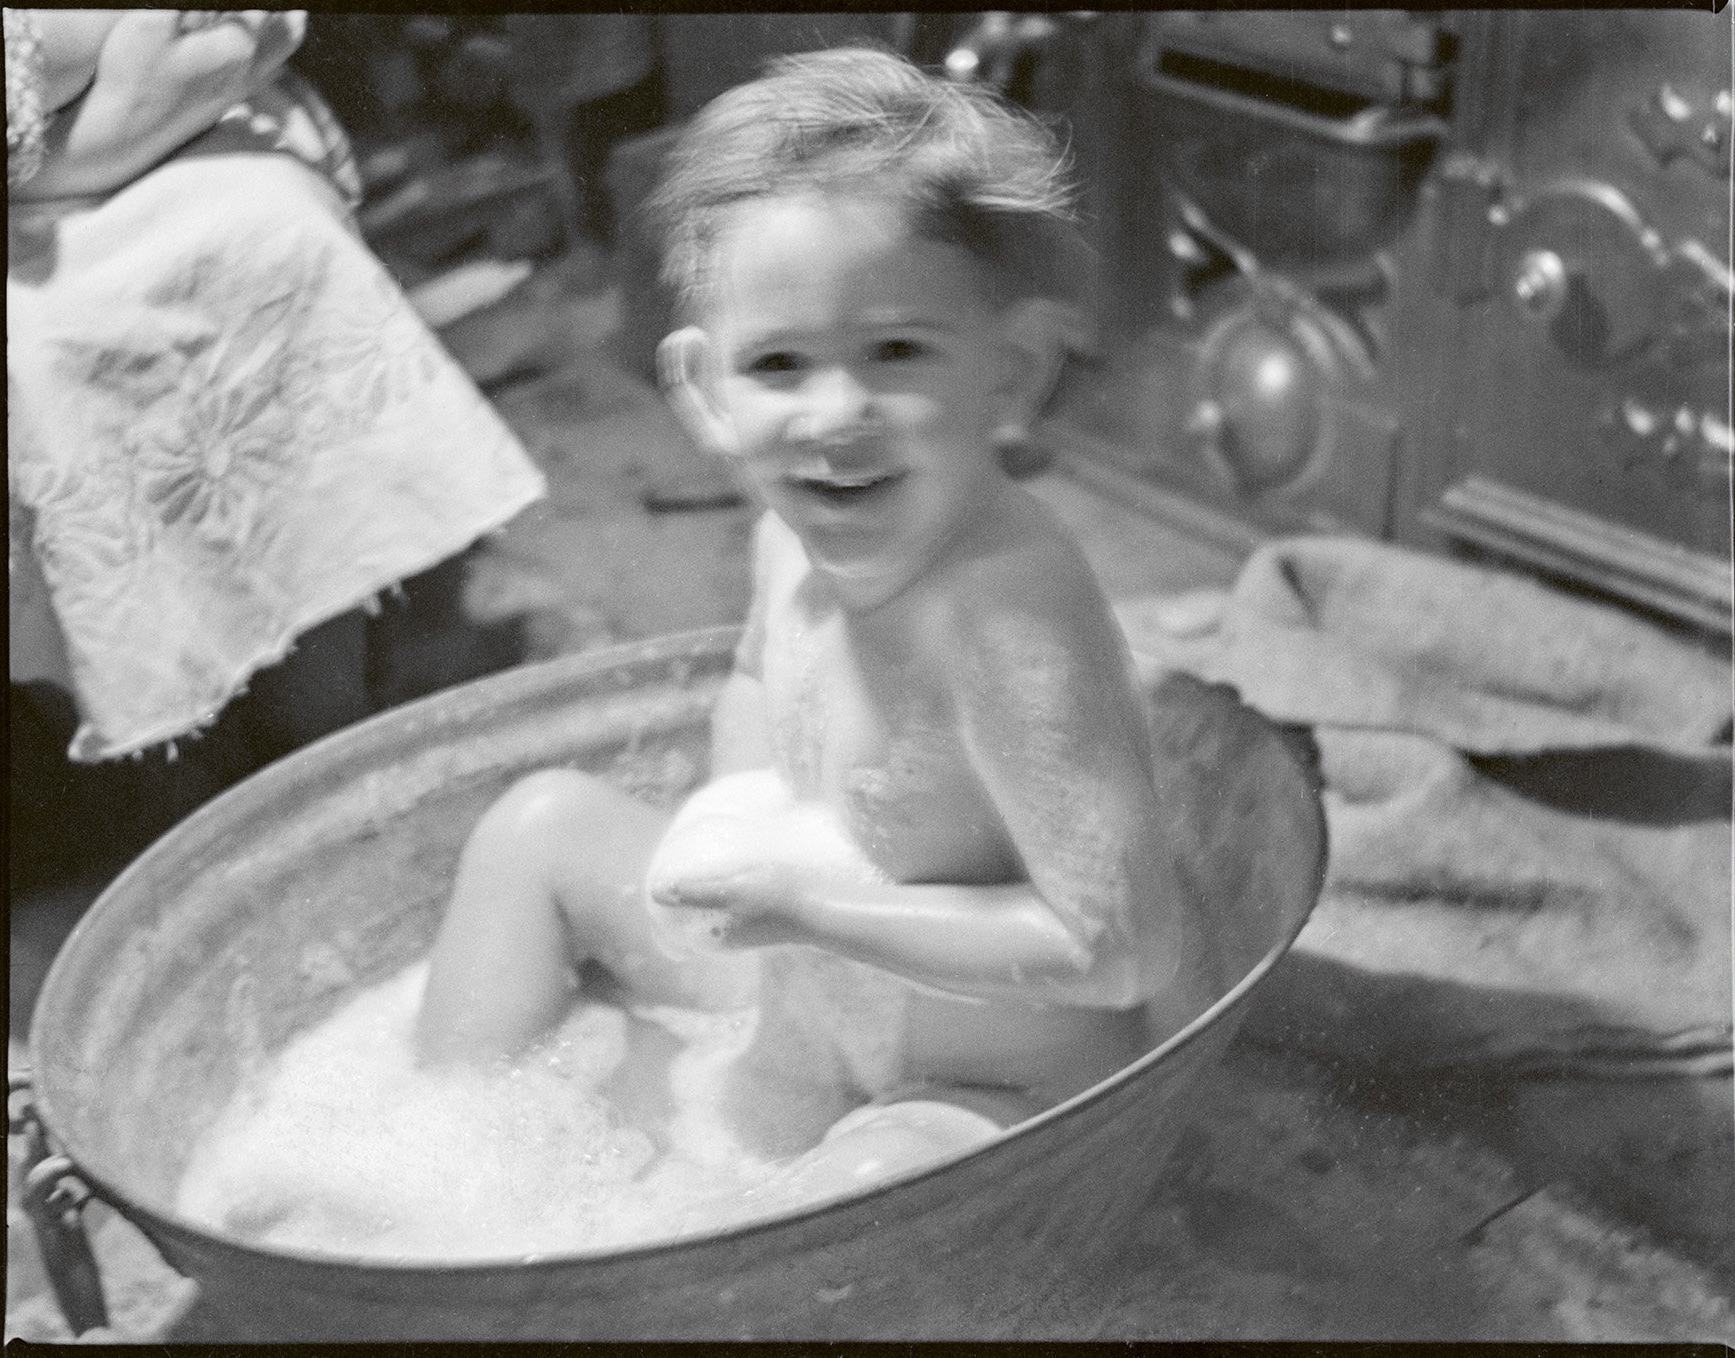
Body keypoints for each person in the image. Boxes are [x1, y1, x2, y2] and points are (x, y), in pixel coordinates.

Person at [415, 48, 1208, 1189]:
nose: (836, 415)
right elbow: (755, 681)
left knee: (838, 1205)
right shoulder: (786, 532)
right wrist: (733, 829)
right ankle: (432, 1182)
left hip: (992, 1084)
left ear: (1011, 370)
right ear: (707, 394)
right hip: (801, 989)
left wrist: (810, 905)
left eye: (896, 350)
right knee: (537, 825)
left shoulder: (1004, 610)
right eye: (780, 363)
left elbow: (1124, 946)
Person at [6, 9, 545, 764]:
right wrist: (84, 144)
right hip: (60, 168)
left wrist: (131, 103)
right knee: (42, 364)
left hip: (147, 119)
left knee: (273, 235)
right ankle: (148, 721)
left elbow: (246, 34)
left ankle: (329, 693)